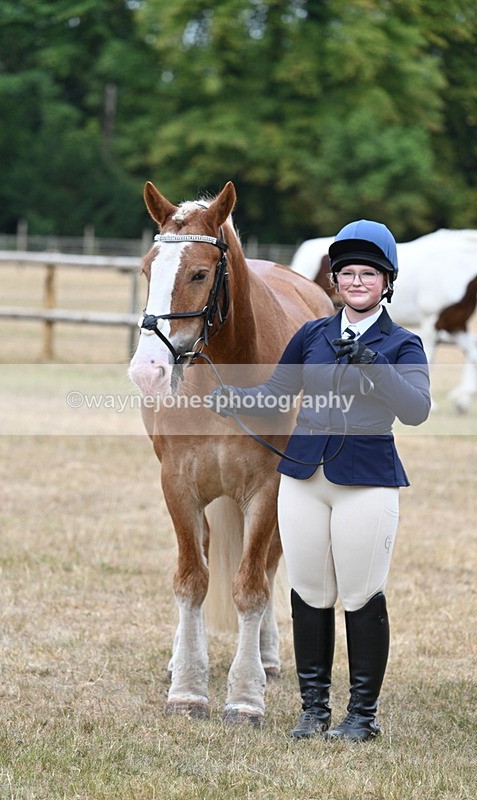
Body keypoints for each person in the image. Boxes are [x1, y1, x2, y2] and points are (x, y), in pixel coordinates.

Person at [208, 220, 431, 741]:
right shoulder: (311, 335)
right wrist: (229, 397)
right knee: (308, 591)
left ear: (386, 282)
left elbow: (417, 409)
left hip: (366, 480)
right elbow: (276, 396)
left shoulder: (403, 343)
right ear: (335, 281)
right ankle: (313, 709)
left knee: (360, 595)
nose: (356, 282)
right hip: (305, 477)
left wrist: (375, 365)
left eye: (367, 274)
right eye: (347, 273)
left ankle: (362, 716)